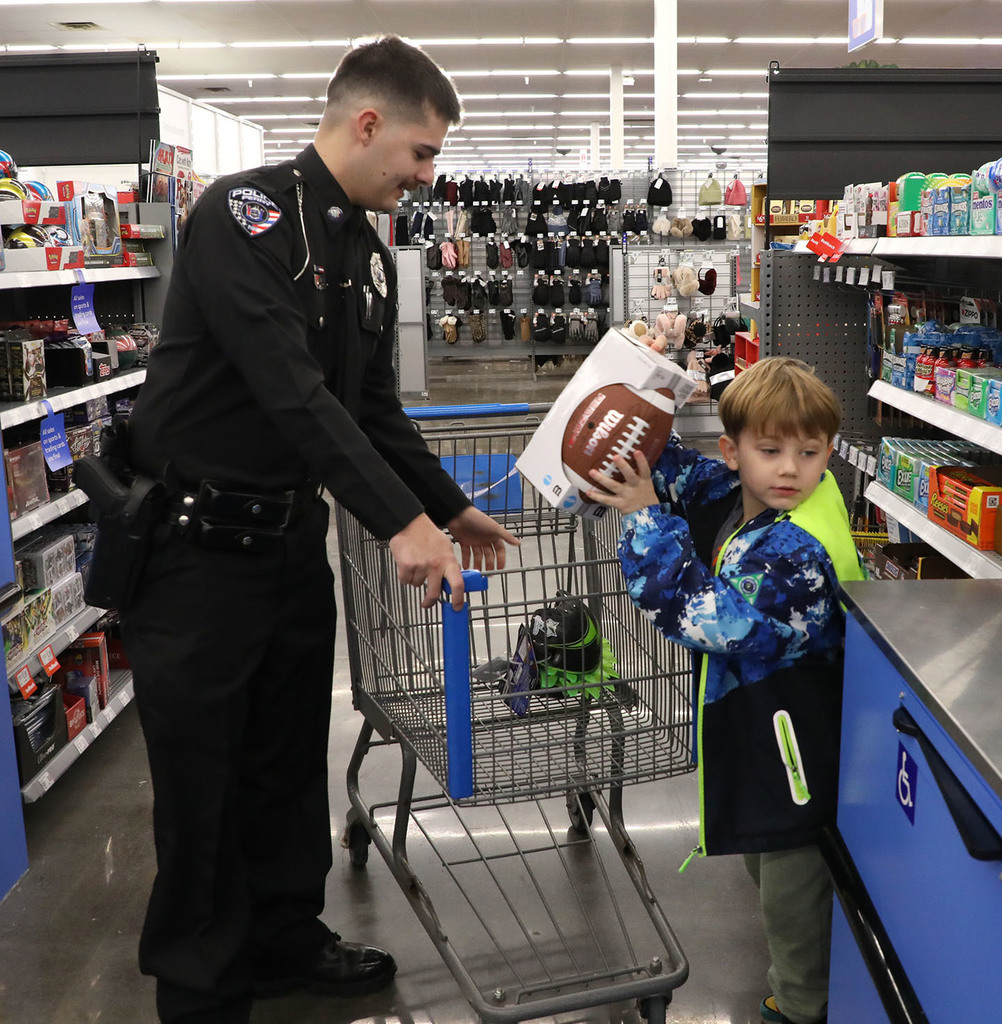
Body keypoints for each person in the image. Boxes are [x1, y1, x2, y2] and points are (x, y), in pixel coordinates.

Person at [120, 36, 518, 1024]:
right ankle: (202, 987)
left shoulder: (366, 256)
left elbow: (372, 409)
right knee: (203, 774)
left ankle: (285, 936)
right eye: (421, 155)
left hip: (291, 547)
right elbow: (292, 394)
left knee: (287, 759)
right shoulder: (244, 219)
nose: (427, 177)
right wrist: (399, 527)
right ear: (368, 123)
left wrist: (443, 505)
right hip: (196, 551)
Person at [586, 356, 866, 1024]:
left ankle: (802, 1007)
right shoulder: (762, 497)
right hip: (773, 731)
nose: (790, 470)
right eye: (770, 451)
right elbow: (710, 486)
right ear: (734, 450)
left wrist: (647, 518)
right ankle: (796, 987)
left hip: (798, 750)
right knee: (766, 865)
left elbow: (708, 617)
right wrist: (648, 428)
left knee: (792, 886)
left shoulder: (797, 550)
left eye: (809, 452)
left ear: (830, 449)